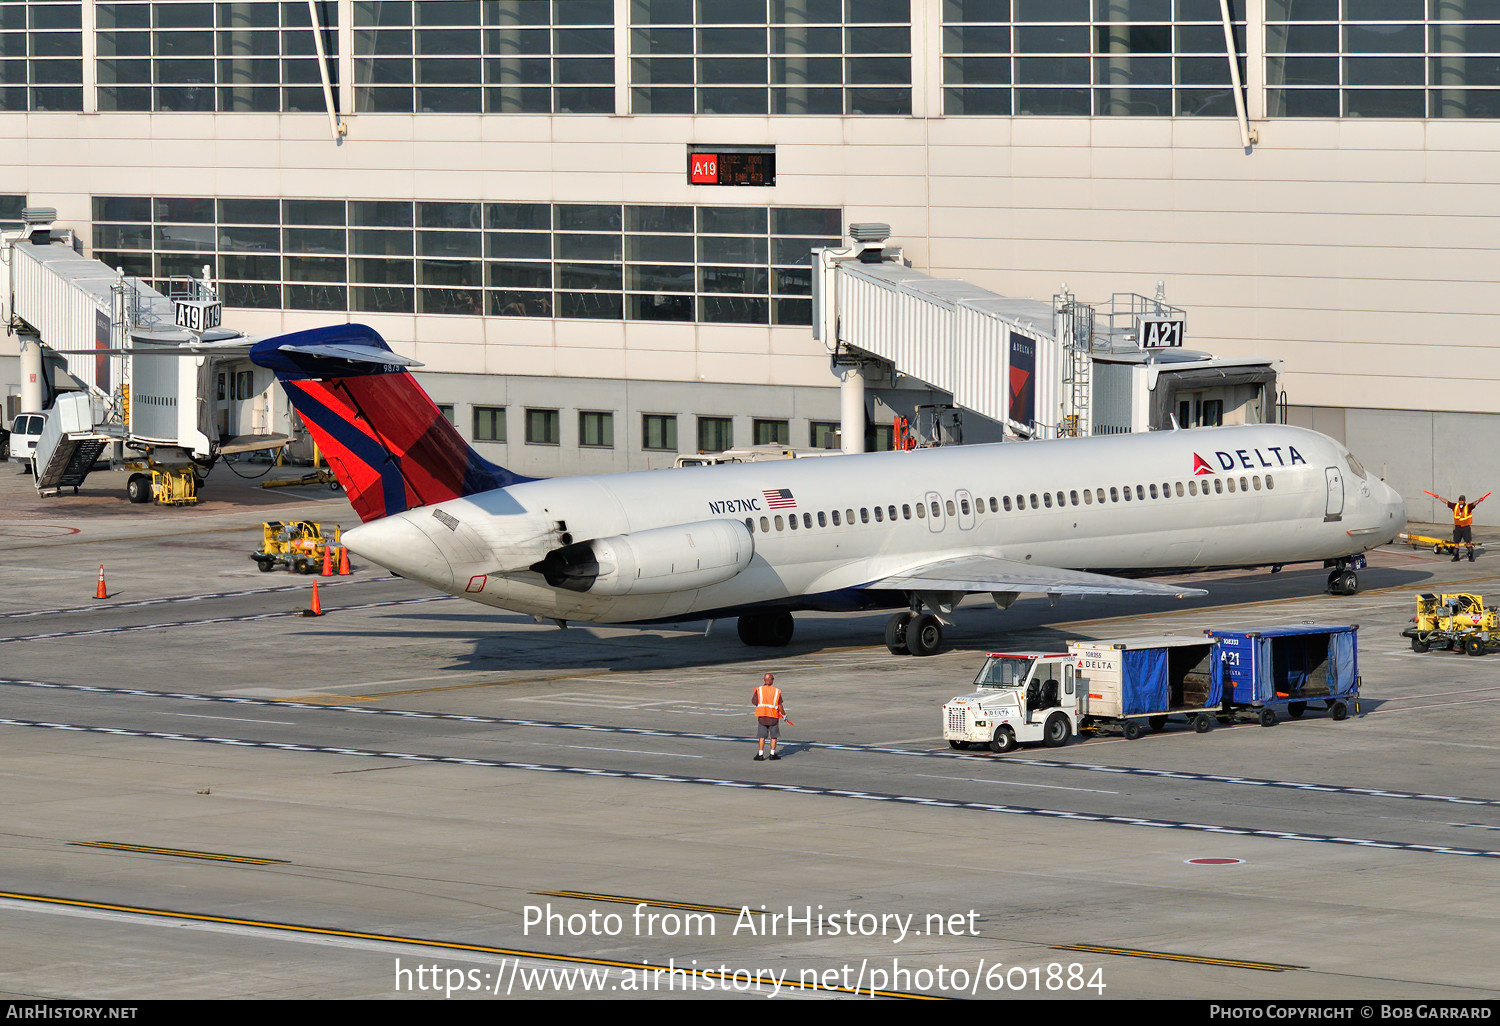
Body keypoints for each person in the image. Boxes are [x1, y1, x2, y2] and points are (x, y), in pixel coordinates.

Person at [1430, 491, 1489, 561]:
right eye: (1460, 500)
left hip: (1466, 528)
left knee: (1468, 544)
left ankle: (1470, 557)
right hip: (1458, 528)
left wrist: (1479, 500)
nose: (1461, 502)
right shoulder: (1455, 506)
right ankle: (1456, 557)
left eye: (1462, 500)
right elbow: (1446, 502)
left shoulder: (1468, 507)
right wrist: (1439, 497)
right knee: (1456, 544)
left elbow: (1474, 503)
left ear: (1464, 501)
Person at [751, 672, 786, 761]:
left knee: (762, 736)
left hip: (762, 716)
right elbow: (780, 705)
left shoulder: (759, 690)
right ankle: (772, 753)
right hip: (773, 716)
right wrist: (784, 715)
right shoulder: (776, 691)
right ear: (772, 680)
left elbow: (754, 702)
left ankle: (760, 754)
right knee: (773, 736)